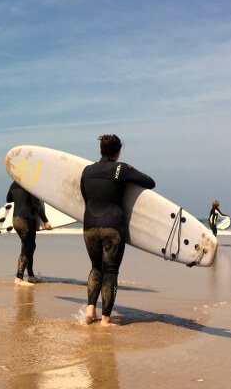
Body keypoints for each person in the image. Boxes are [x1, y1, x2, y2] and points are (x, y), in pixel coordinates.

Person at [81, 134, 155, 327]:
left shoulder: (87, 171)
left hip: (89, 226)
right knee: (111, 271)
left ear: (100, 150)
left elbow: (84, 196)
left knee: (95, 267)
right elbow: (149, 182)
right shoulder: (121, 169)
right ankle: (106, 318)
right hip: (113, 226)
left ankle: (90, 309)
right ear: (118, 152)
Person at [7, 181, 53, 286]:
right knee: (27, 247)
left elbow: (8, 199)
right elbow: (37, 205)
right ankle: (19, 278)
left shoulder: (14, 184)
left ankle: (31, 276)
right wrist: (45, 221)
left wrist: (21, 198)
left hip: (16, 220)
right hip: (26, 220)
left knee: (30, 246)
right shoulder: (30, 185)